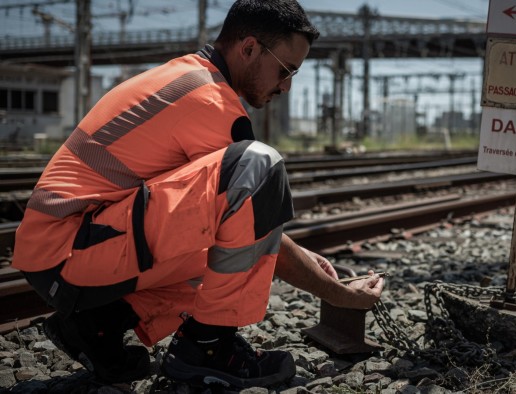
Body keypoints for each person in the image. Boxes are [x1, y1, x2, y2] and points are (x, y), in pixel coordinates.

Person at [12, 0, 384, 389]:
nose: (286, 85)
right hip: (71, 249)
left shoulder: (189, 77)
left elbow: (245, 225)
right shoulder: (209, 101)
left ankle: (96, 325)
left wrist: (306, 259)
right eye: (286, 70)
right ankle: (207, 346)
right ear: (250, 49)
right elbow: (253, 212)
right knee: (259, 165)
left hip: (61, 248)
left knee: (229, 238)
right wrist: (339, 294)